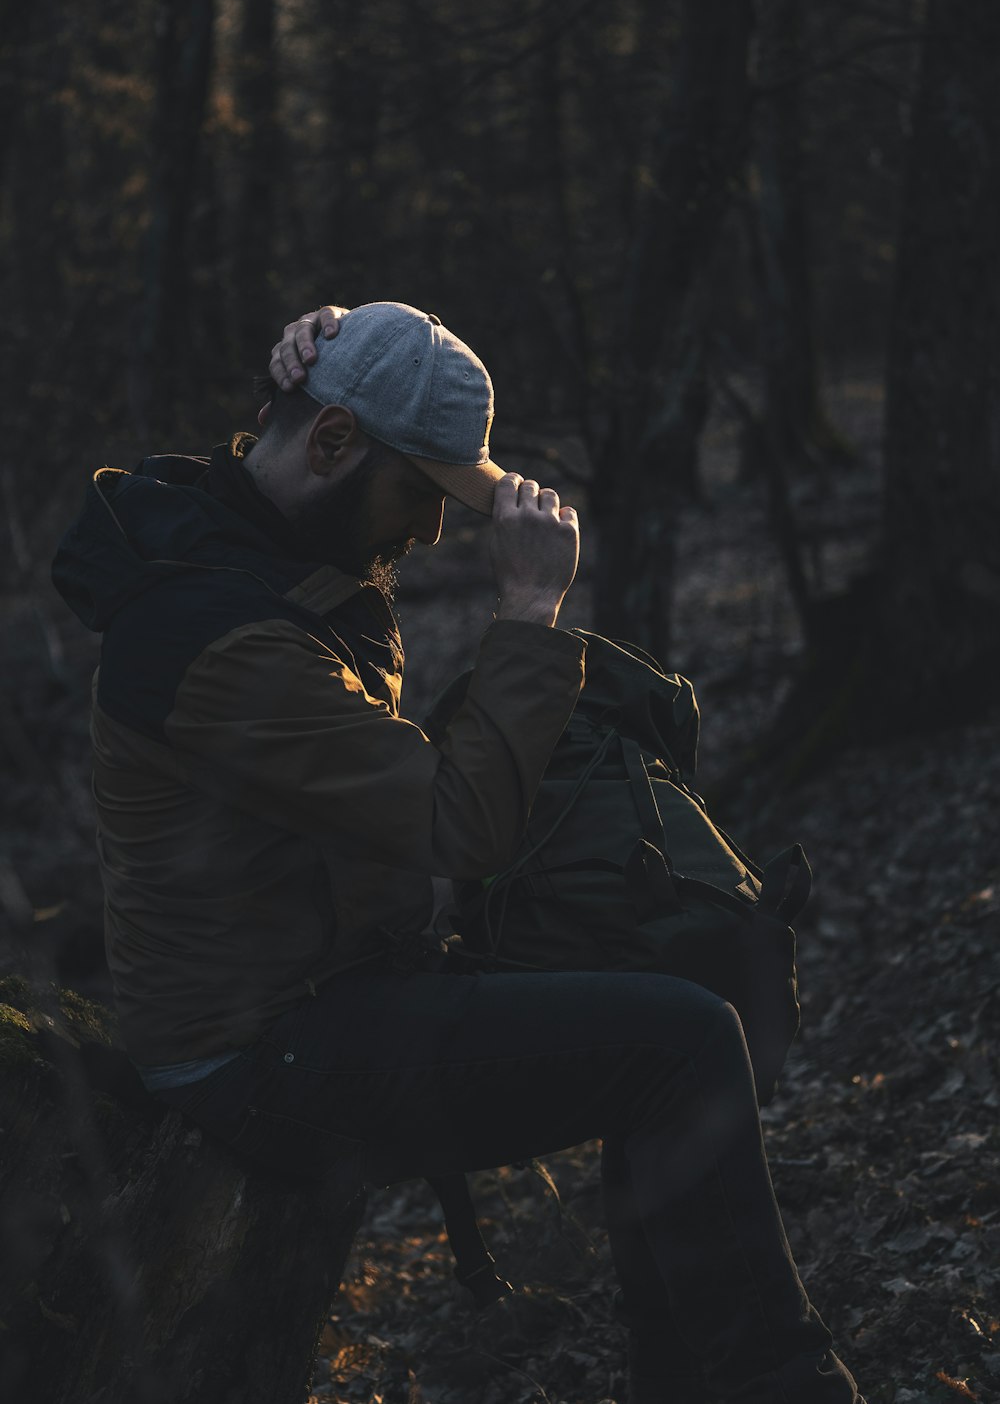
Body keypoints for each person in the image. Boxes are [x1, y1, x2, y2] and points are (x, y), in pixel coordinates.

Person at [52, 301, 864, 1404]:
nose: (434, 532)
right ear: (335, 444)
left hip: (339, 979)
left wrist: (335, 333)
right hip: (259, 1052)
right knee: (679, 1043)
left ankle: (685, 1379)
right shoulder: (214, 638)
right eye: (422, 494)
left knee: (701, 963)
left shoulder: (241, 532)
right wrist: (529, 613)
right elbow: (457, 829)